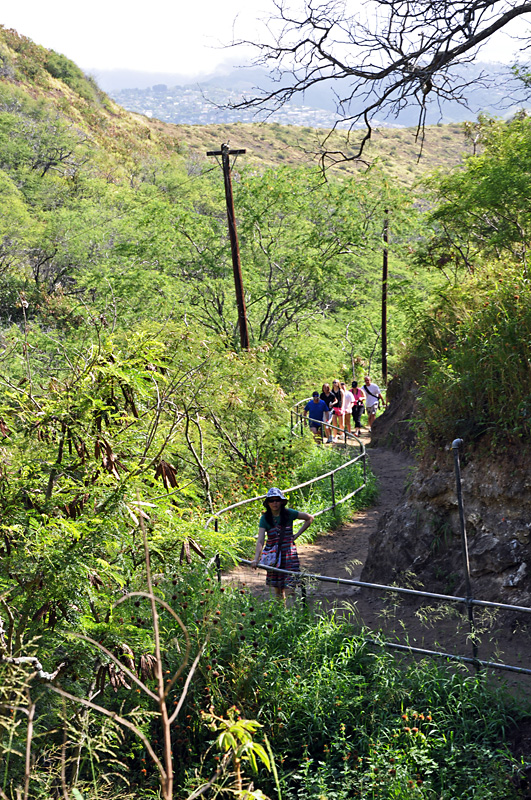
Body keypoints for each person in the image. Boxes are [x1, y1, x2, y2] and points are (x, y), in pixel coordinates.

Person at [250, 487, 314, 600]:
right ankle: (281, 615)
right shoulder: (265, 518)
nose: (274, 503)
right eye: (271, 500)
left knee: (290, 589)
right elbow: (260, 540)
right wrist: (256, 558)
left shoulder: (289, 514)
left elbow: (309, 518)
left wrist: (296, 535)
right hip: (273, 557)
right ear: (267, 503)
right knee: (278, 590)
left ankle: (292, 615)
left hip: (289, 555)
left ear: (282, 501)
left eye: (277, 500)